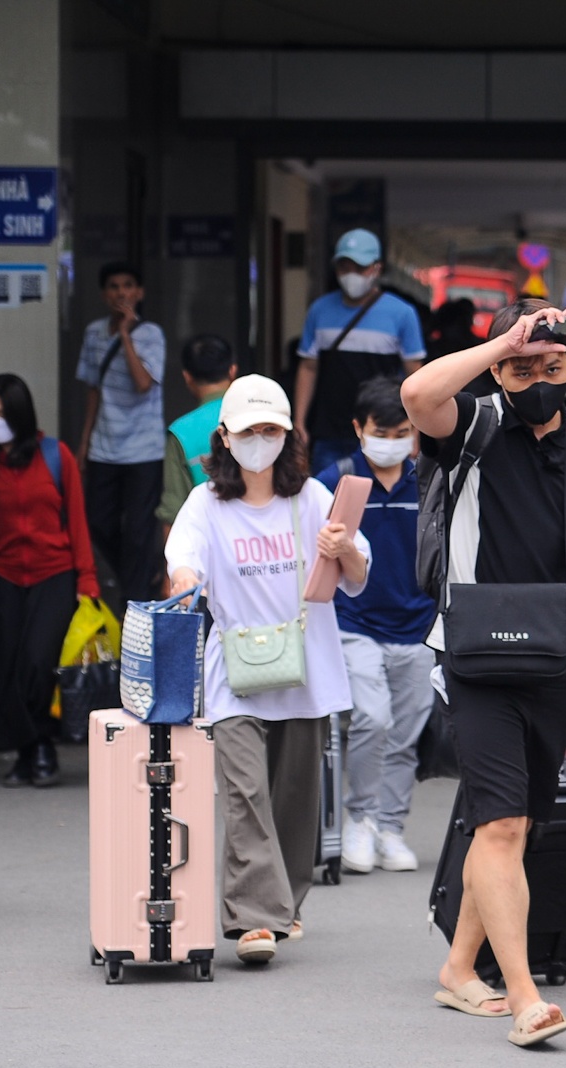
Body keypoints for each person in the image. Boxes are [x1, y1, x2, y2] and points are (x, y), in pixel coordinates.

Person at [400, 298, 566, 1047]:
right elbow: (417, 396)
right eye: (520, 367)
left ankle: (459, 969)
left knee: (516, 826)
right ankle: (524, 994)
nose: (537, 378)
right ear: (497, 367)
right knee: (498, 823)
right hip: (472, 654)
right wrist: (504, 342)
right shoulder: (472, 426)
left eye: (552, 365)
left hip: (551, 654)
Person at [164, 375, 369, 966]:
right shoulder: (205, 502)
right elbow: (183, 558)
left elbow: (357, 574)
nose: (260, 440)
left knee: (295, 799)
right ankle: (254, 919)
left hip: (304, 670)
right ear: (224, 437)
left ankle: (285, 902)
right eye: (248, 430)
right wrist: (185, 582)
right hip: (232, 669)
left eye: (271, 430)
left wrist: (342, 549)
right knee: (245, 793)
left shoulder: (311, 498)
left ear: (288, 435)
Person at [315, 375, 437, 874]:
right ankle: (360, 820)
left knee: (406, 732)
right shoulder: (334, 483)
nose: (393, 441)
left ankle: (390, 827)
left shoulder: (431, 480)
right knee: (373, 718)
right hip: (354, 621)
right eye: (382, 431)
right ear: (358, 428)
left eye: (403, 431)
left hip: (418, 625)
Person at [0, 373, 97, 787]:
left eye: (3, 414)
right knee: (6, 667)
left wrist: (88, 581)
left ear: (21, 416)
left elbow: (77, 519)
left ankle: (40, 746)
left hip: (54, 576)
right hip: (6, 576)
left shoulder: (54, 455)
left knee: (38, 664)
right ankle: (30, 753)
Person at [293, 230, 427, 468]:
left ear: (377, 268)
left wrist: (415, 430)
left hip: (382, 429)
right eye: (344, 267)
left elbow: (415, 376)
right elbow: (308, 367)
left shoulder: (402, 314)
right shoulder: (319, 310)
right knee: (329, 501)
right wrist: (300, 421)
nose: (351, 274)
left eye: (359, 267)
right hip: (329, 431)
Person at [75, 262, 167, 606]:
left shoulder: (151, 334)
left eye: (128, 285)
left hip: (144, 449)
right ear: (104, 294)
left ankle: (137, 597)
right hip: (103, 447)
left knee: (140, 531)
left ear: (139, 293)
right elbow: (93, 390)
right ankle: (128, 579)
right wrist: (84, 443)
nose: (121, 293)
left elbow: (143, 383)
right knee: (98, 524)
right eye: (113, 286)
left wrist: (126, 334)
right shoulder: (94, 332)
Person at [158, 334, 237, 530]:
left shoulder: (181, 433)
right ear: (232, 371)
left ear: (187, 376)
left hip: (208, 545)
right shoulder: (262, 419)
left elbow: (174, 511)